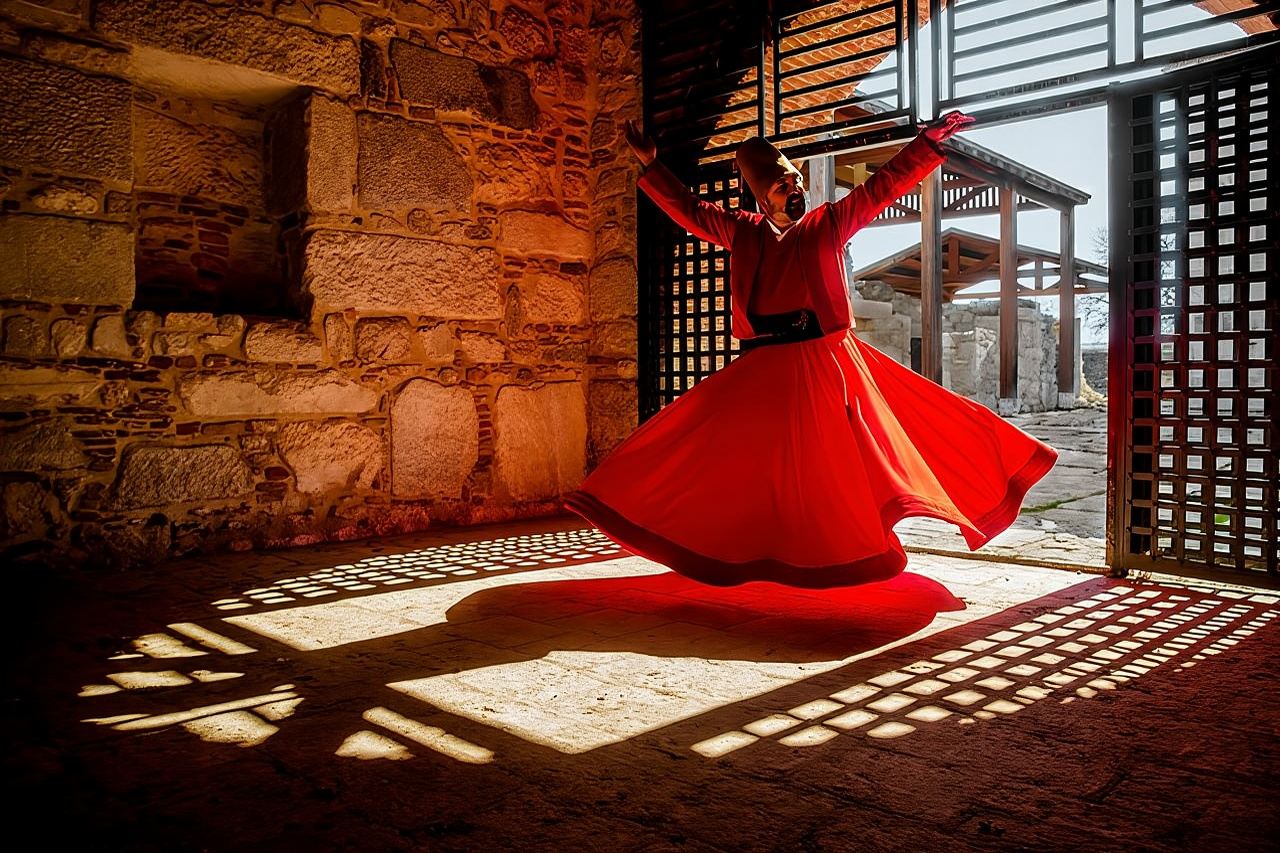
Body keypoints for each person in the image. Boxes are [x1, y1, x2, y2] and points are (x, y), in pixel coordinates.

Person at [564, 113, 1058, 588]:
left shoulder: (829, 222)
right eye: (781, 185)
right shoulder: (742, 231)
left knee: (848, 461)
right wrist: (652, 168)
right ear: (761, 195)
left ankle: (849, 551)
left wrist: (926, 146)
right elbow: (689, 211)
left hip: (826, 362)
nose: (794, 189)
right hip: (764, 367)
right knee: (715, 450)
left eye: (795, 181)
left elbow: (881, 188)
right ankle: (738, 545)